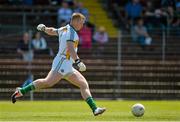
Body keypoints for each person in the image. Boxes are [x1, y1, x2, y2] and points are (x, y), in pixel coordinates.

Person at [11, 13, 106, 116]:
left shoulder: (65, 28)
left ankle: (95, 109)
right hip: (62, 62)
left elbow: (52, 31)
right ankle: (22, 91)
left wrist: (44, 28)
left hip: (67, 64)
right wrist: (78, 61)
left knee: (83, 84)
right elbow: (70, 47)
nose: (82, 25)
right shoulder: (71, 32)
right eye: (81, 23)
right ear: (76, 21)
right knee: (47, 82)